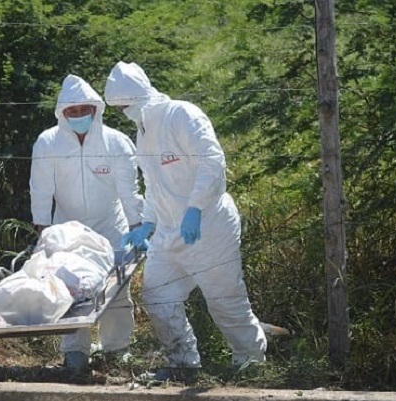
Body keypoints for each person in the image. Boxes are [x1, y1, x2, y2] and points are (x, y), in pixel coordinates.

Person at [104, 61, 268, 381]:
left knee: (225, 301)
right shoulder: (143, 132)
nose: (123, 112)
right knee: (158, 297)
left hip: (209, 227)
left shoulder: (182, 115)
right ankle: (183, 363)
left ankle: (251, 363)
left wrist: (195, 208)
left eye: (124, 105)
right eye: (118, 108)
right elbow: (155, 186)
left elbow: (212, 162)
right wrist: (147, 223)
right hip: (168, 233)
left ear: (140, 96)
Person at [29, 74, 144, 377]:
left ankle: (117, 350)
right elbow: (40, 189)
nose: (79, 115)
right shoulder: (48, 142)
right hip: (67, 228)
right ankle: (75, 353)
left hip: (111, 227)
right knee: (70, 290)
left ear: (95, 109)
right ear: (62, 113)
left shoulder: (116, 142)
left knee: (116, 291)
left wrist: (137, 225)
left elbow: (129, 190)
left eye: (84, 110)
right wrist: (43, 232)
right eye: (73, 111)